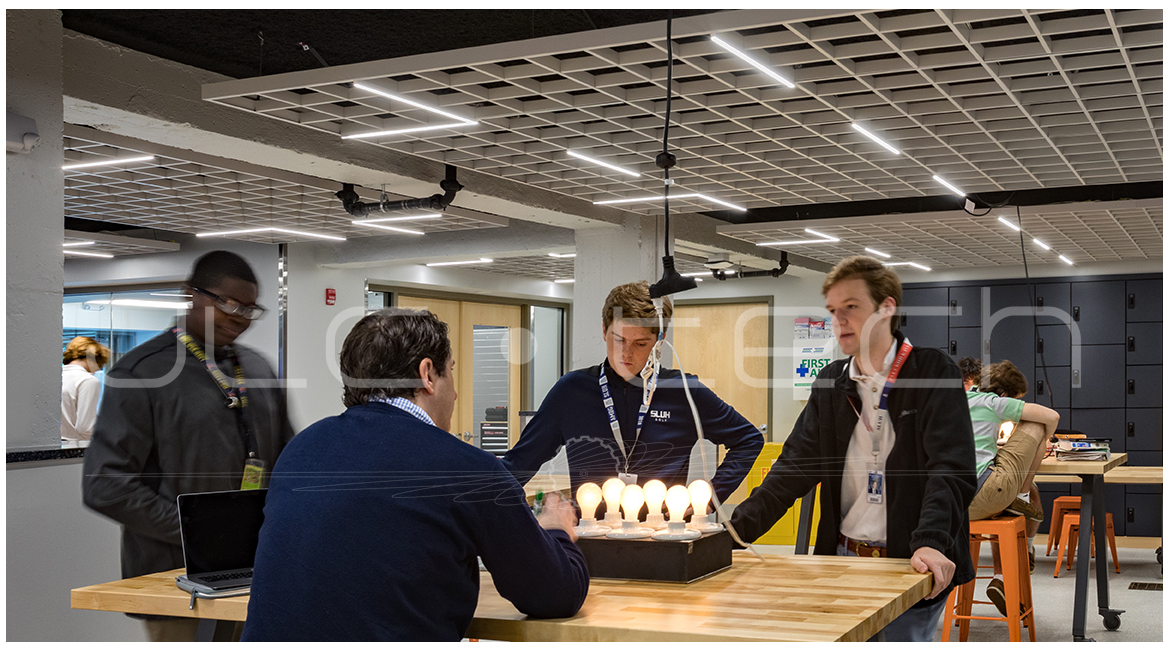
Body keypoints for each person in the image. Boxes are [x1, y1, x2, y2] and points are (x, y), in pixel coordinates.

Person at [241, 309, 589, 641]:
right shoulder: (469, 470)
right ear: (427, 374)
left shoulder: (301, 450)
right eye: (450, 371)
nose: (454, 393)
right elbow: (553, 595)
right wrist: (557, 531)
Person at [727, 255, 977, 642]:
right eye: (832, 310)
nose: (838, 320)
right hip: (841, 563)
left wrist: (931, 541)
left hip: (909, 567)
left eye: (851, 307)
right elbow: (793, 467)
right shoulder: (832, 382)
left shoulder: (931, 372)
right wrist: (732, 534)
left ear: (886, 308)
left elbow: (951, 469)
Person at [83, 250, 293, 642]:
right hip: (177, 581)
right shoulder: (141, 372)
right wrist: (200, 531)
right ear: (190, 295)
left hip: (256, 572)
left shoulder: (258, 368)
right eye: (227, 303)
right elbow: (105, 485)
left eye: (249, 309)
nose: (239, 317)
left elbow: (288, 460)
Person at [501, 281, 764, 513]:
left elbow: (748, 440)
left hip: (663, 535)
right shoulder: (572, 391)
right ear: (604, 330)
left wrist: (707, 499)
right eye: (618, 339)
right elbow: (520, 463)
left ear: (659, 341)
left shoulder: (682, 391)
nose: (626, 354)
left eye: (640, 344)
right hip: (591, 539)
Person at [965, 360, 1060, 614]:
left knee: (1014, 507)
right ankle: (1022, 494)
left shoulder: (959, 399)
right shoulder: (994, 402)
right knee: (1036, 423)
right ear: (1005, 395)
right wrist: (1042, 441)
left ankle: (1003, 579)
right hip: (985, 492)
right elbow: (1052, 417)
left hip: (955, 504)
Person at [61, 336, 110, 448]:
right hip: (78, 448)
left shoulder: (57, 377)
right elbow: (85, 427)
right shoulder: (88, 380)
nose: (98, 369)